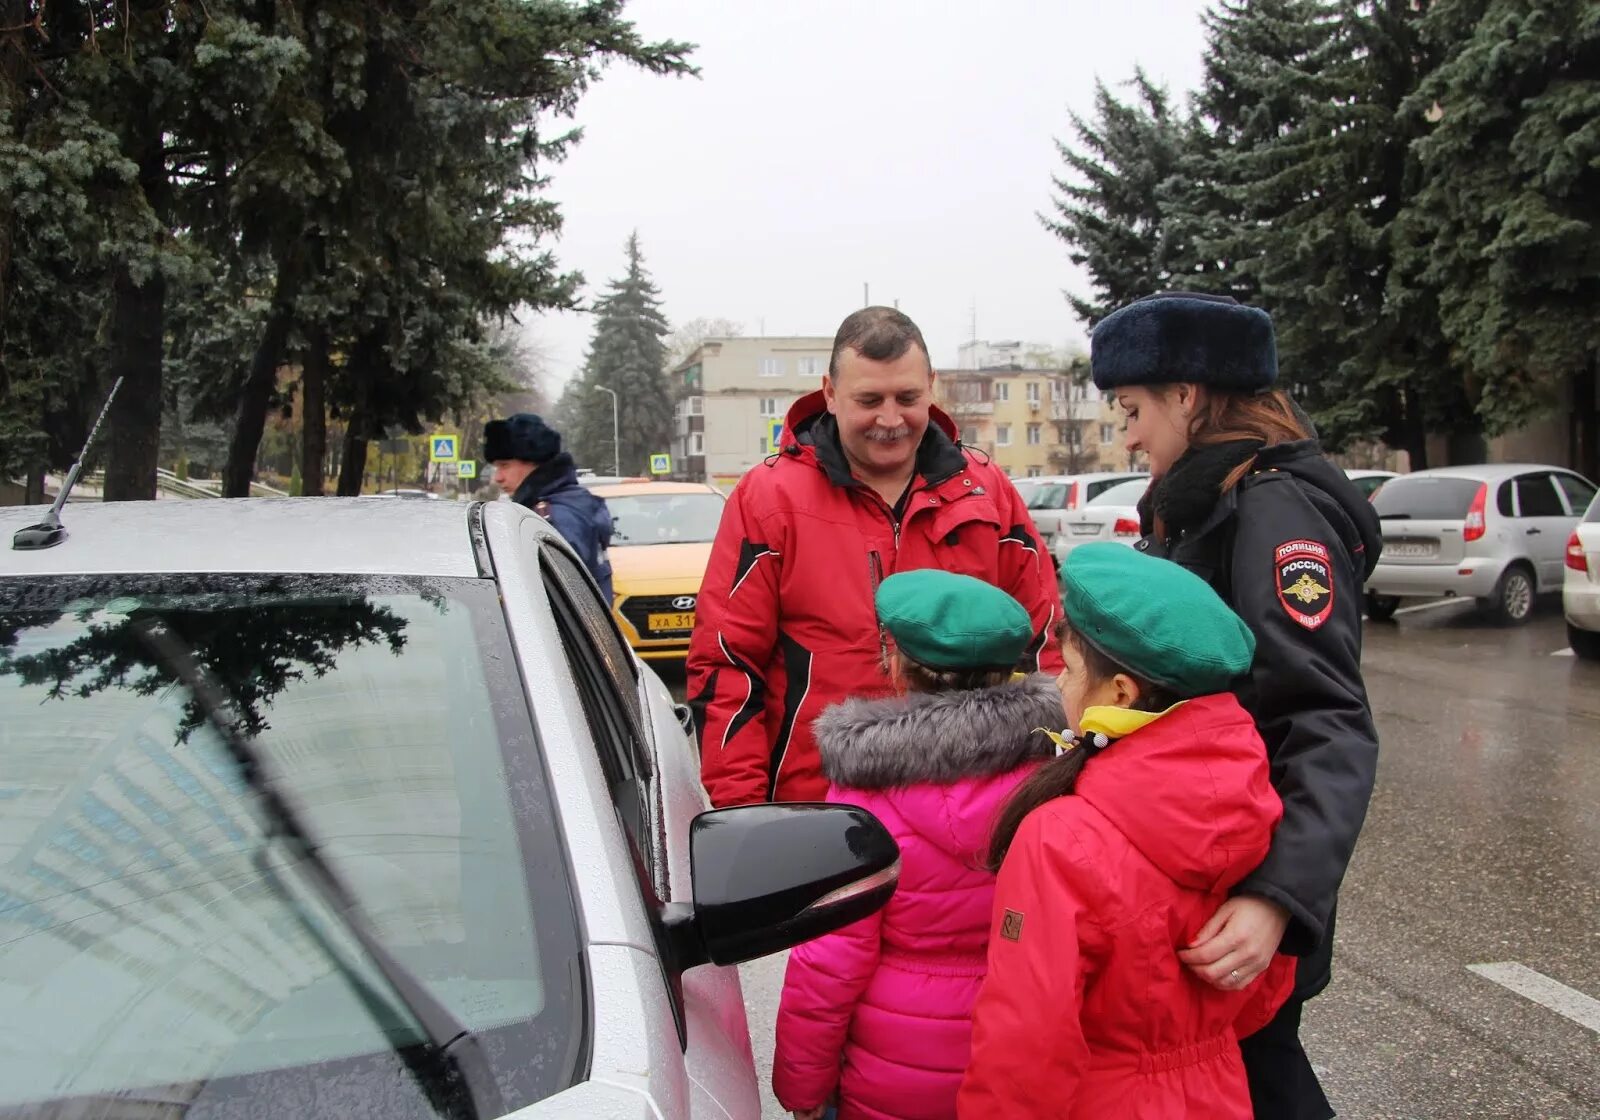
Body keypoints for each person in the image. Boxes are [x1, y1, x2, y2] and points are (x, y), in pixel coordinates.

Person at [1090, 291, 1383, 1119]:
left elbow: (1325, 718)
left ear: (1187, 395)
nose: (1129, 435)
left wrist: (1276, 899)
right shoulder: (1204, 503)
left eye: (1133, 410)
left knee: (1261, 1080)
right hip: (1205, 873)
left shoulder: (1272, 515)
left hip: (1244, 896)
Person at [959, 543, 1294, 1119]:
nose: (1058, 684)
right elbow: (1260, 995)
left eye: (1068, 668)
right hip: (1219, 1093)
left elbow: (1028, 1043)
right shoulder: (1254, 803)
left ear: (1119, 695)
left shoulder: (1061, 835)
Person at [688, 307, 1064, 807]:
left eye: (907, 398)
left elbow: (1047, 647)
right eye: (869, 400)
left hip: (973, 807)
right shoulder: (768, 498)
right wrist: (744, 816)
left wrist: (1054, 779)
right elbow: (726, 666)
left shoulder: (986, 489)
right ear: (829, 393)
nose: (890, 420)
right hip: (819, 811)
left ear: (931, 386)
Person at [772, 568, 1062, 1120]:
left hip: (892, 1069)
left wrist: (802, 1091)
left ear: (898, 664)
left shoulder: (865, 796)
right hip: (1021, 1053)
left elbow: (831, 960)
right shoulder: (1056, 768)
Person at [484, 413, 614, 601]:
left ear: (534, 463)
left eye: (504, 466)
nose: (498, 477)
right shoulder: (573, 503)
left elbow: (554, 601)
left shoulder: (552, 520)